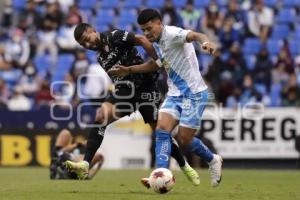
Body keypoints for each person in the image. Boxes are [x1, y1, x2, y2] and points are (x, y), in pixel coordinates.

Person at [65, 23, 200, 186]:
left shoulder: (114, 36)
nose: (88, 45)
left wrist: (158, 61)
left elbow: (142, 40)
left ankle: (185, 166)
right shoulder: (101, 58)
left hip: (146, 88)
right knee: (101, 116)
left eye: (87, 39)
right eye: (83, 44)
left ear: (94, 30)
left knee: (161, 133)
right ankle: (85, 164)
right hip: (125, 93)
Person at [108, 9, 223, 187]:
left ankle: (213, 159)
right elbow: (156, 65)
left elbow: (196, 35)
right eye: (143, 30)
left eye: (149, 28)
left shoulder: (172, 33)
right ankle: (160, 173)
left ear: (159, 23)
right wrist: (129, 69)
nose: (146, 33)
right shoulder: (156, 43)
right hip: (175, 93)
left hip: (194, 93)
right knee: (161, 129)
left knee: (185, 139)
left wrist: (206, 42)